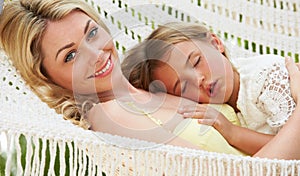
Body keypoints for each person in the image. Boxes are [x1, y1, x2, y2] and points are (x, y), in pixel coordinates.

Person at [1, 0, 300, 160]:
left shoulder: (149, 84)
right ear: (48, 77)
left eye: (92, 33)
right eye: (70, 55)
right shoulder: (110, 116)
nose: (97, 55)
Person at [121, 22, 296, 155]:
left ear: (215, 43)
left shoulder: (267, 76)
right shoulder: (223, 107)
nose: (198, 80)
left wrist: (233, 133)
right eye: (184, 86)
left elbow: (294, 147)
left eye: (196, 61)